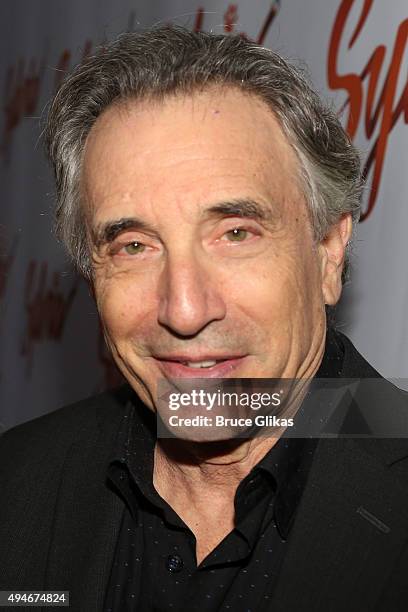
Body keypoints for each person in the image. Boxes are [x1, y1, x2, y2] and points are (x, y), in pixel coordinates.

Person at [0, 24, 407, 612]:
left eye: (235, 234)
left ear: (328, 251)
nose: (185, 310)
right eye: (134, 246)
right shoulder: (18, 485)